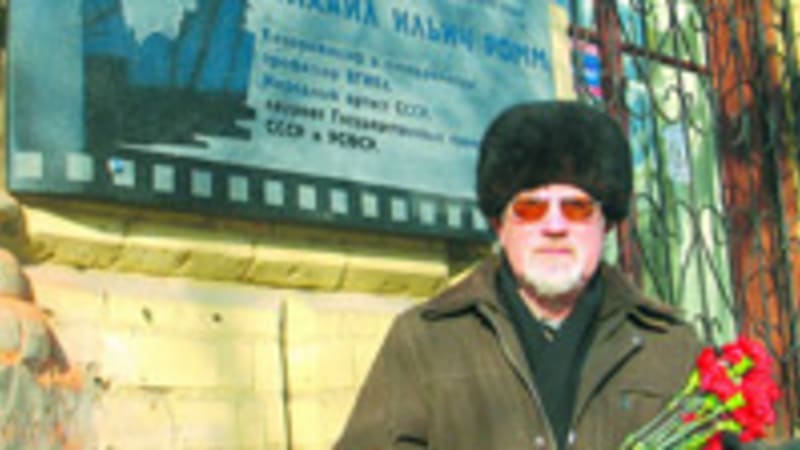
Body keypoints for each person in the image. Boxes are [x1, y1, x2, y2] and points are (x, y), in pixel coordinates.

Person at [333, 101, 754, 449]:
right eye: (530, 208)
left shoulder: (669, 345)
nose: (554, 226)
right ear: (500, 225)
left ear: (605, 224)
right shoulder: (426, 341)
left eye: (577, 208)